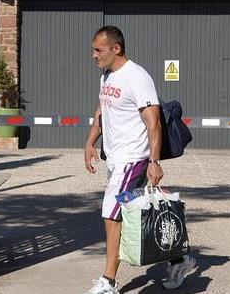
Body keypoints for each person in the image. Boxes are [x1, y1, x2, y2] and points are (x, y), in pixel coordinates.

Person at [83, 26, 196, 294]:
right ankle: (180, 260)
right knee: (144, 210)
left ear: (116, 48)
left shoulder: (137, 76)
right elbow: (101, 110)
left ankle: (108, 281)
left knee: (111, 215)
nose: (93, 55)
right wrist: (90, 141)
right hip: (116, 159)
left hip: (132, 158)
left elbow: (153, 122)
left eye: (98, 50)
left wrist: (154, 161)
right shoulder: (107, 76)